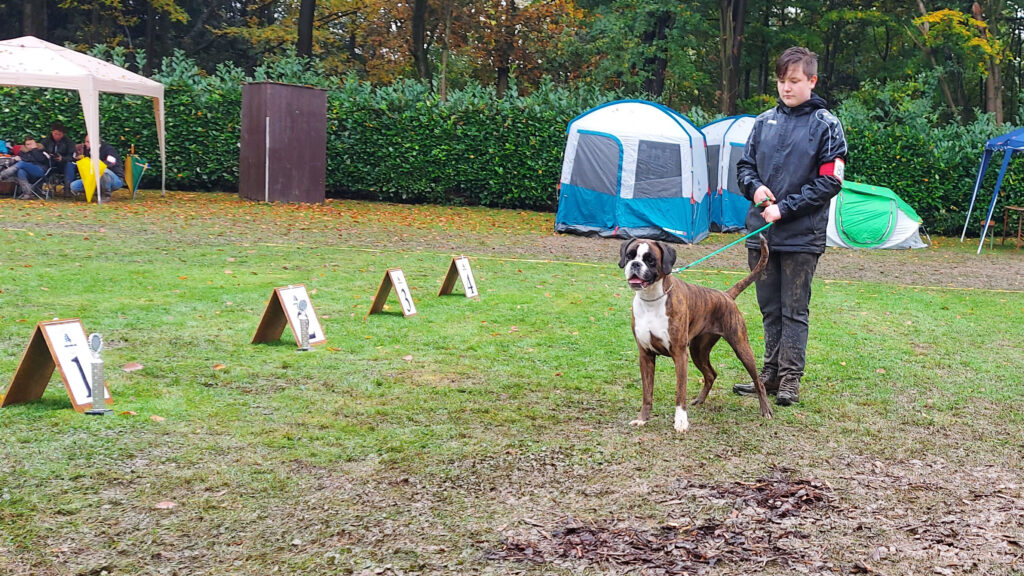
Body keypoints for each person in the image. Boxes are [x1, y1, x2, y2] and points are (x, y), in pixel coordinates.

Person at [731, 46, 849, 406]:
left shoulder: (827, 126)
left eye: (794, 81)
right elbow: (744, 168)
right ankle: (768, 373)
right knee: (768, 307)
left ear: (812, 81)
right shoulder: (762, 121)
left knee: (793, 309)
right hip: (761, 234)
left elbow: (831, 181)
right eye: (782, 80)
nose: (787, 87)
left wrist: (786, 208)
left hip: (802, 237)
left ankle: (790, 379)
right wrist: (756, 190)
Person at [70, 135, 125, 200]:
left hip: (115, 178)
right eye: (85, 141)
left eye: (88, 142)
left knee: (102, 170)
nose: (85, 144)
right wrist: (77, 155)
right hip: (94, 178)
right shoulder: (86, 150)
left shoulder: (108, 149)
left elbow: (111, 162)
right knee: (74, 186)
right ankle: (97, 191)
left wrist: (96, 166)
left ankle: (106, 195)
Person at [42, 121, 77, 193]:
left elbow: (72, 157)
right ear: (52, 132)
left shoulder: (69, 142)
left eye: (59, 134)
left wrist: (62, 159)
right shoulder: (46, 141)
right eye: (55, 134)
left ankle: (68, 189)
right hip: (49, 163)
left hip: (63, 165)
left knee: (70, 165)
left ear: (63, 134)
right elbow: (41, 152)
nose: (57, 136)